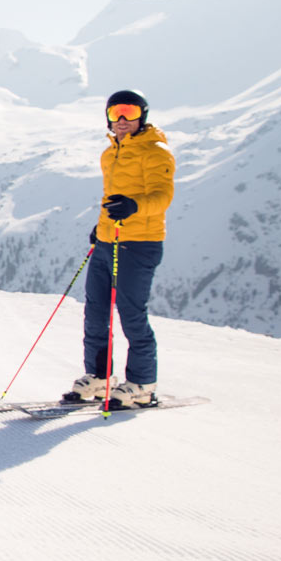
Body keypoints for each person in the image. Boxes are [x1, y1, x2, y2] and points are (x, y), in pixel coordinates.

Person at [65, 89, 175, 407]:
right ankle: (100, 378)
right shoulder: (109, 153)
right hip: (107, 240)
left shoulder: (156, 151)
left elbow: (162, 197)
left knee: (130, 314)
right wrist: (100, 229)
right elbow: (112, 200)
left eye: (129, 112)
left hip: (139, 244)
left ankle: (142, 385)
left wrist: (134, 206)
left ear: (143, 115)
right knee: (96, 313)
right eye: (116, 113)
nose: (123, 120)